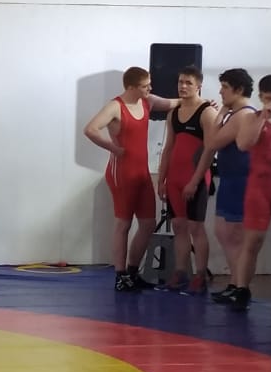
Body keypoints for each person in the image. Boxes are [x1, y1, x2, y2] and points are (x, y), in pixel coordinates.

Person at [84, 67, 191, 291]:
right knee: (123, 224)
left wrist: (202, 101)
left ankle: (133, 272)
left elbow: (172, 103)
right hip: (121, 173)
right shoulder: (115, 106)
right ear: (131, 87)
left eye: (149, 84)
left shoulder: (147, 101)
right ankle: (120, 275)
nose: (149, 88)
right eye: (145, 86)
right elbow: (91, 129)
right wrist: (113, 147)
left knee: (148, 224)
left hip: (141, 173)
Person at [180, 69, 254, 303]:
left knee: (233, 236)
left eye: (225, 87)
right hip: (231, 179)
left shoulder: (243, 115)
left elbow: (211, 142)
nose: (220, 92)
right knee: (224, 233)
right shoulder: (237, 114)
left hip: (240, 182)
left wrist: (221, 111)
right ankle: (235, 284)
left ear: (238, 90)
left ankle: (241, 288)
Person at [157, 65, 217, 294]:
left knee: (196, 227)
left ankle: (200, 275)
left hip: (196, 178)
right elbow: (168, 148)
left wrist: (195, 181)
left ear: (199, 86)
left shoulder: (207, 112)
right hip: (174, 178)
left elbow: (209, 151)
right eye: (180, 82)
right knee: (179, 226)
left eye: (188, 83)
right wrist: (161, 179)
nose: (183, 86)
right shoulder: (173, 113)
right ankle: (180, 272)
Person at [228, 75, 271, 310]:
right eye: (267, 99)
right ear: (261, 98)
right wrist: (263, 117)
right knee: (253, 241)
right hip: (260, 187)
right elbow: (244, 144)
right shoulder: (252, 118)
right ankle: (242, 289)